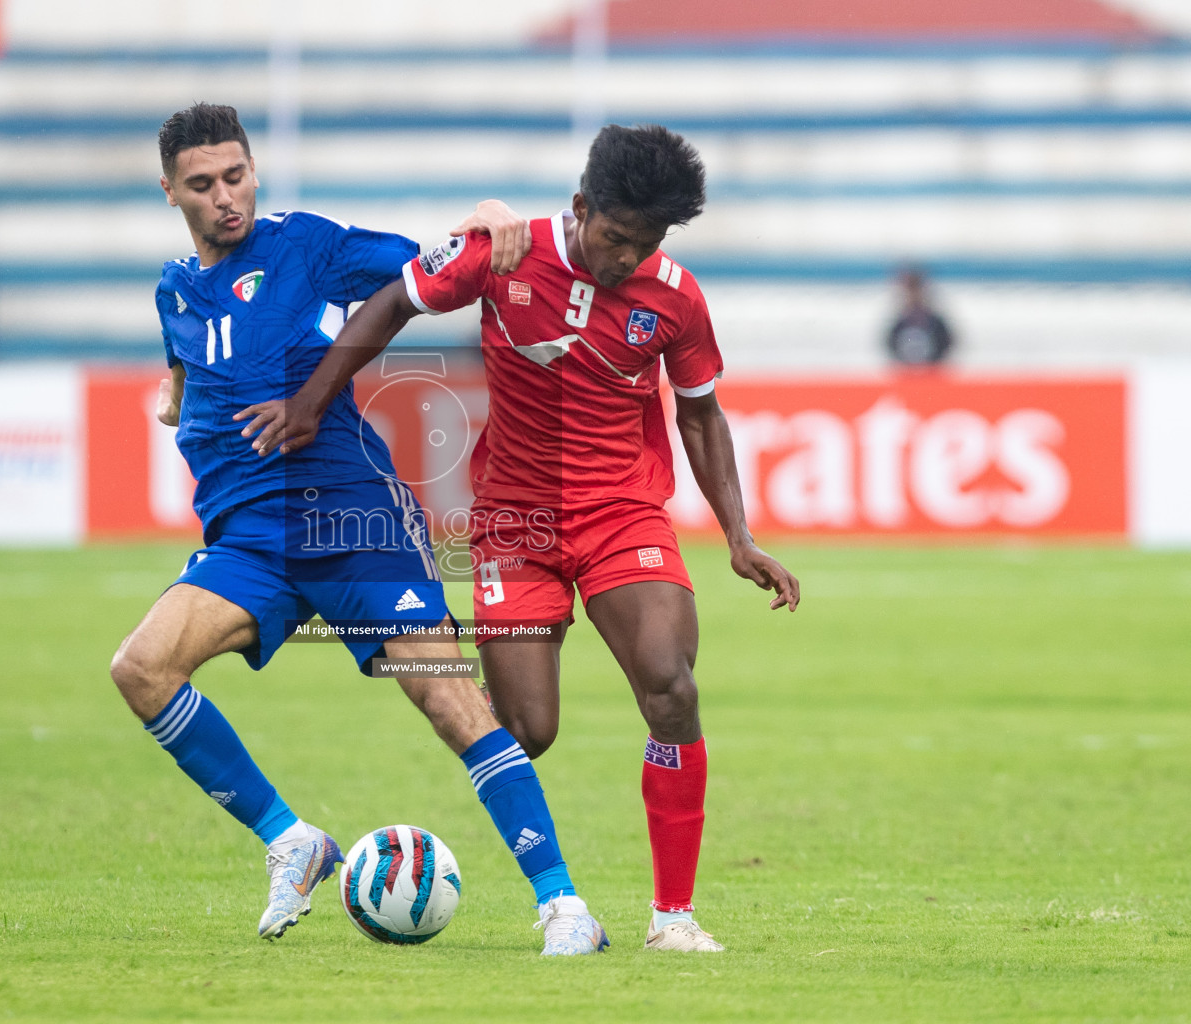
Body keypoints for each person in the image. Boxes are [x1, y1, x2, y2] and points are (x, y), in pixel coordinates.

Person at [241, 123, 801, 953]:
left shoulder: (675, 295)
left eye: (642, 246)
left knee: (669, 683)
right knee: (528, 729)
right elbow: (394, 298)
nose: (624, 260)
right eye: (613, 239)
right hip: (517, 523)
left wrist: (739, 535)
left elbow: (699, 411)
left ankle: (673, 919)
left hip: (623, 514)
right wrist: (315, 401)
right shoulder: (505, 252)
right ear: (580, 208)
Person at [108, 103, 608, 954]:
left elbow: (432, 268)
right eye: (203, 184)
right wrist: (175, 396)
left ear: (254, 172)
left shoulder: (307, 244)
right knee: (142, 669)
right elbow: (185, 365)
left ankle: (564, 907)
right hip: (249, 543)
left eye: (237, 176)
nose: (226, 196)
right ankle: (291, 840)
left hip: (354, 526)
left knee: (449, 702)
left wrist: (488, 216)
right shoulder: (172, 289)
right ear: (169, 192)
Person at [885, 266, 954, 367]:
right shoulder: (899, 325)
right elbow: (891, 348)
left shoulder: (936, 324)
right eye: (909, 291)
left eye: (916, 289)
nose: (913, 295)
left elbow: (946, 346)